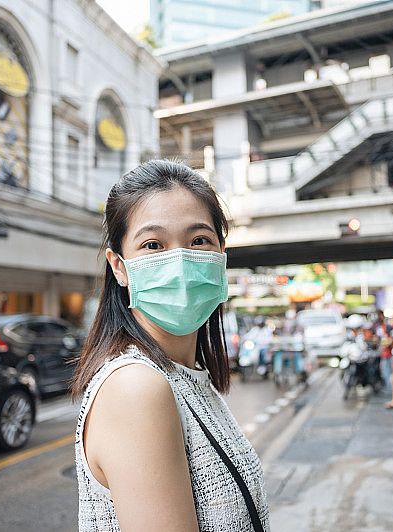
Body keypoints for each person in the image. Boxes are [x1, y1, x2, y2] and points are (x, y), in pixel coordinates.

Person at [71, 160, 269, 532]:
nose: (179, 260)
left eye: (199, 240)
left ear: (221, 255)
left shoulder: (188, 376)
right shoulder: (137, 387)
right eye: (153, 245)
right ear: (119, 267)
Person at [372, 310, 393, 395]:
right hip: (381, 352)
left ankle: (389, 388)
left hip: (387, 353)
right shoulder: (377, 326)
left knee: (386, 371)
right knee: (383, 371)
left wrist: (385, 346)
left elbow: (391, 339)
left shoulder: (387, 327)